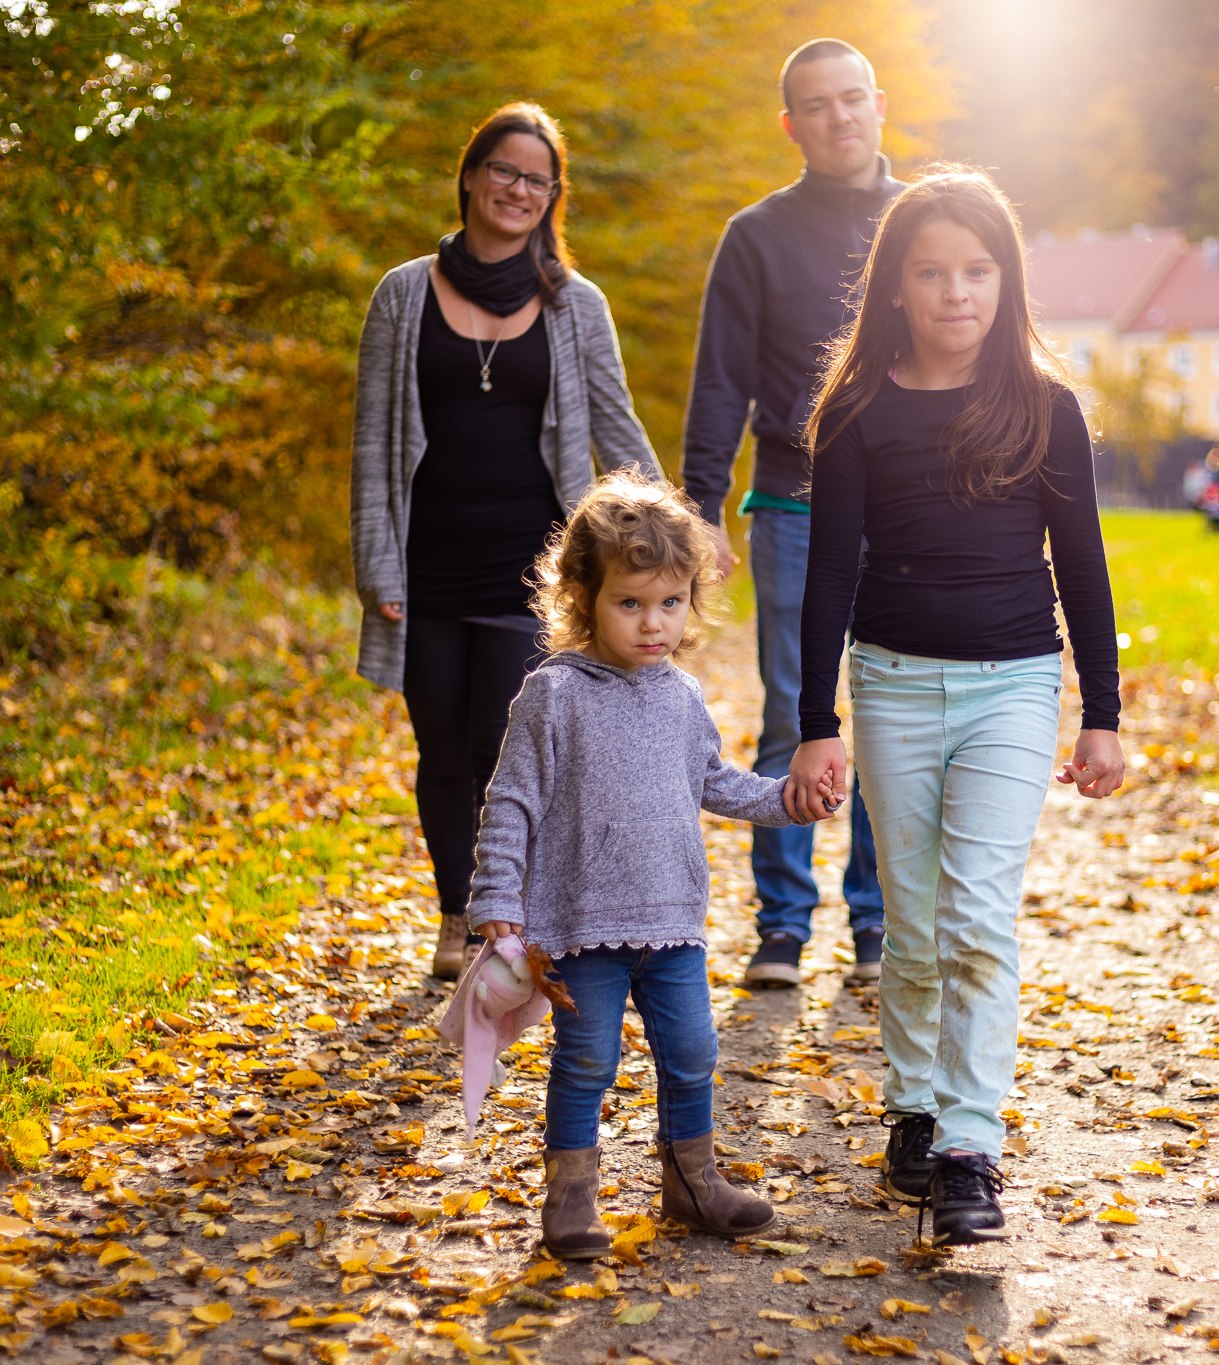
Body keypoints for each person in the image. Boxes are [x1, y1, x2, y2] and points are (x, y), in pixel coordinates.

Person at [786, 169, 1127, 1247]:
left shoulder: (1045, 408)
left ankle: (969, 1147)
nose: (954, 294)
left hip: (1013, 686)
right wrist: (815, 719)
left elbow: (1082, 566)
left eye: (976, 272)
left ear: (1004, 281)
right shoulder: (854, 413)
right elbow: (827, 572)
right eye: (930, 273)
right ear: (894, 286)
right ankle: (914, 1107)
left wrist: (1100, 711)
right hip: (889, 682)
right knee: (914, 921)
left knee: (978, 916)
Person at [464, 473, 834, 1259]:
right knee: (589, 1057)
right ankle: (570, 1195)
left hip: (670, 920)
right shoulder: (552, 695)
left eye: (669, 602)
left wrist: (787, 801)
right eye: (630, 603)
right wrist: (495, 893)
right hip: (580, 924)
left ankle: (691, 1181)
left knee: (695, 1051)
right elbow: (511, 802)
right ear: (583, 598)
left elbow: (715, 782)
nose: (652, 622)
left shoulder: (681, 694)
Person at [349, 102, 661, 982]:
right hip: (425, 567)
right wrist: (376, 563)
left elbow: (614, 423)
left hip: (534, 571)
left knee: (504, 743)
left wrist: (658, 532)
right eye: (505, 171)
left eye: (537, 179)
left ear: (552, 195)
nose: (518, 189)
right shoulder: (403, 294)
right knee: (442, 749)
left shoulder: (574, 303)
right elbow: (372, 441)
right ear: (471, 175)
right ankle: (456, 914)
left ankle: (505, 917)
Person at [681, 38, 896, 989]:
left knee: (892, 713)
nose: (839, 117)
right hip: (793, 505)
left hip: (910, 510)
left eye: (853, 99)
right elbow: (721, 380)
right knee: (792, 709)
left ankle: (879, 923)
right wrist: (699, 507)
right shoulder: (755, 235)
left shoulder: (919, 220)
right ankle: (781, 924)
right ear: (792, 125)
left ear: (878, 104)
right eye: (818, 105)